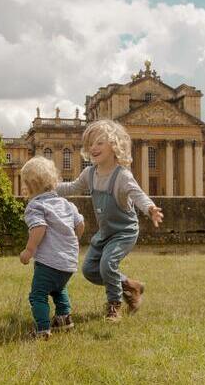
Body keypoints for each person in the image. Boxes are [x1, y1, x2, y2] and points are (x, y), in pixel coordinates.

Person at [57, 119, 163, 322]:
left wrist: (150, 209)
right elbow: (71, 188)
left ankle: (114, 306)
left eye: (99, 143)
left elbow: (138, 194)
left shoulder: (122, 176)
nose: (93, 148)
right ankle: (131, 285)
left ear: (115, 146)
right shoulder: (90, 173)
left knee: (107, 265)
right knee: (89, 270)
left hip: (124, 232)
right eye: (90, 144)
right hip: (105, 232)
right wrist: (49, 187)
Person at [19, 156, 85, 339]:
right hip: (68, 263)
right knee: (58, 289)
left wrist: (29, 250)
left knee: (38, 295)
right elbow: (80, 225)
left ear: (30, 186)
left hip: (48, 262)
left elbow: (39, 228)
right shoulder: (67, 204)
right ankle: (64, 320)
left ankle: (42, 329)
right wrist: (72, 241)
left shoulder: (36, 205)